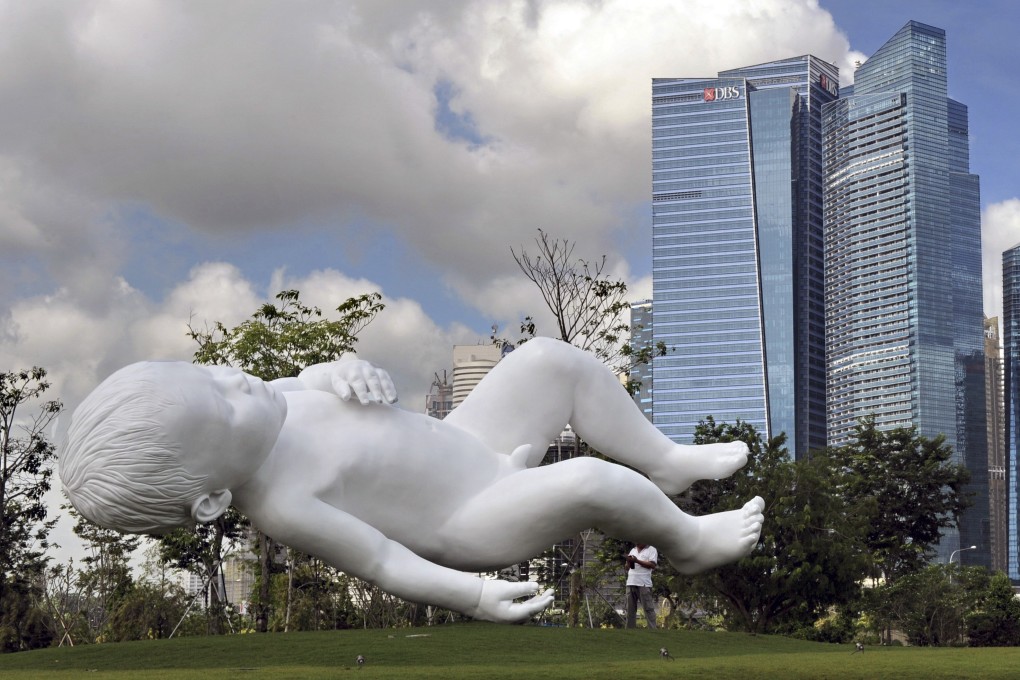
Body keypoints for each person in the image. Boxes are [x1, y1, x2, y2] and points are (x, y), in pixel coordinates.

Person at [61, 337, 765, 624]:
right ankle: (686, 540)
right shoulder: (284, 503)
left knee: (553, 360)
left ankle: (664, 460)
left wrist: (339, 370)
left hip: (467, 439)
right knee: (590, 481)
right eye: (224, 400)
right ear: (214, 496)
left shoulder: (273, 393)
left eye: (212, 372)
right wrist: (474, 595)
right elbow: (384, 561)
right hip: (470, 512)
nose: (237, 378)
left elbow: (311, 379)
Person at [625, 542, 658, 629]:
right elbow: (627, 567)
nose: (636, 542)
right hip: (631, 582)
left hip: (643, 584)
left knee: (648, 608)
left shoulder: (651, 549)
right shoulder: (633, 550)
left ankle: (652, 629)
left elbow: (652, 565)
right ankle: (630, 630)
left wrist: (636, 561)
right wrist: (629, 561)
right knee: (630, 610)